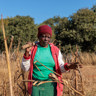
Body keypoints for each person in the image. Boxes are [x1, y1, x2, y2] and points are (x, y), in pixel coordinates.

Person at [21, 25, 81, 96]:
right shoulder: (32, 49)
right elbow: (25, 68)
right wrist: (27, 53)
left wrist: (68, 66)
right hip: (35, 85)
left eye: (48, 37)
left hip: (51, 85)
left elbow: (60, 68)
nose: (46, 39)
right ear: (38, 37)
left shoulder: (55, 50)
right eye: (43, 36)